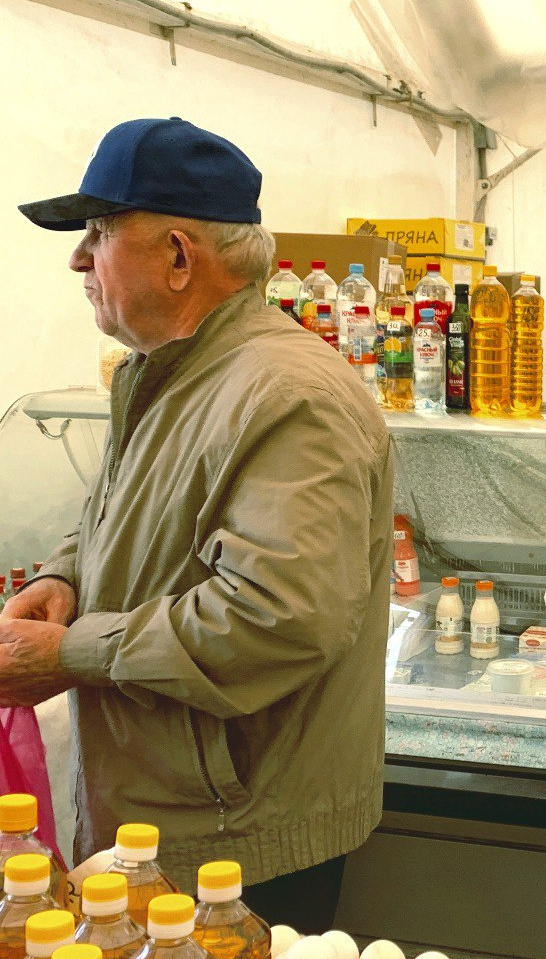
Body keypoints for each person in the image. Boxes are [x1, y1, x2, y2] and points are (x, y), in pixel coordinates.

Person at [3, 118, 393, 931]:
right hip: (173, 816)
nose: (79, 259)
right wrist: (63, 576)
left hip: (237, 839)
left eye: (99, 233)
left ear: (180, 257)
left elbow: (281, 616)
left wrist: (73, 652)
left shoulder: (287, 394)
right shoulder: (167, 369)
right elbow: (135, 511)